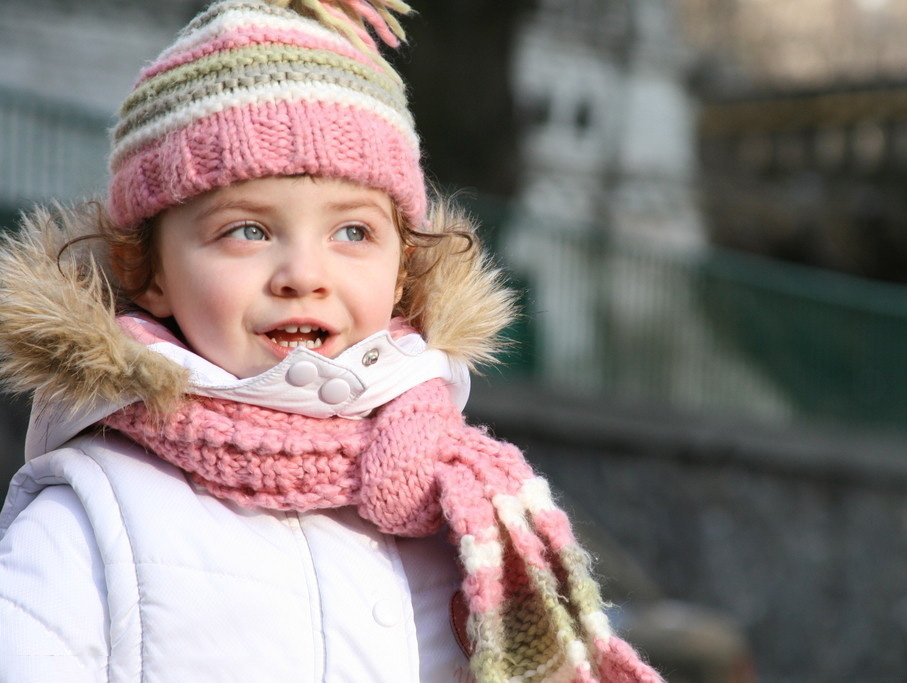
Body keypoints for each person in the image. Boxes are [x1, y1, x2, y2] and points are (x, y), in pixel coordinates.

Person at [0, 1, 663, 681]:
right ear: (152, 273)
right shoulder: (91, 516)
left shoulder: (458, 510)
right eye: (247, 230)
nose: (304, 275)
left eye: (352, 232)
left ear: (402, 266)